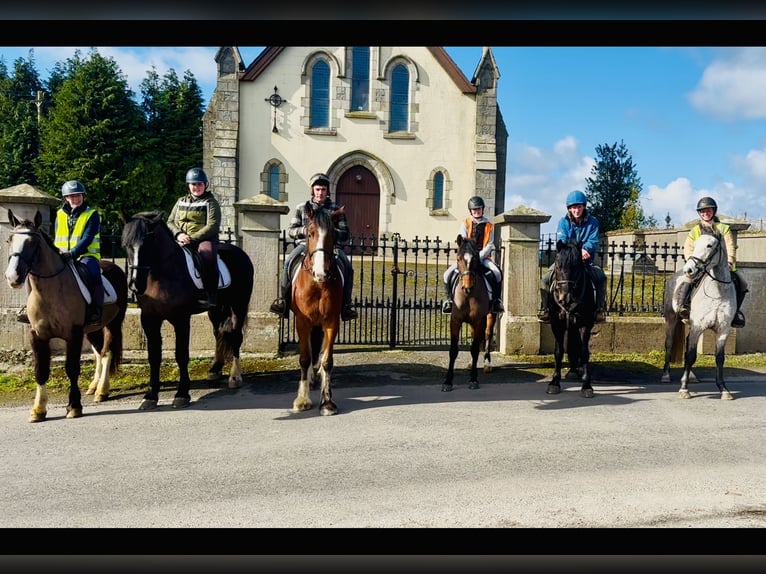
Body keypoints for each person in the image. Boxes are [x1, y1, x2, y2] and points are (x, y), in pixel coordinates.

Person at [269, 172, 358, 321]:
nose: (320, 193)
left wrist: (328, 233)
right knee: (287, 263)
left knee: (348, 267)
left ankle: (346, 306)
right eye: (317, 189)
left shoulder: (335, 209)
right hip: (305, 246)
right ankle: (283, 302)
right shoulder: (301, 208)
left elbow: (345, 233)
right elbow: (291, 230)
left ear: (327, 191)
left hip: (331, 248)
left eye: (323, 190)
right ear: (312, 190)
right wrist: (304, 231)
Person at [675, 196, 748, 328]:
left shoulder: (723, 228)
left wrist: (730, 261)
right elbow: (688, 248)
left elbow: (730, 246)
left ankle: (735, 312)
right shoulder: (695, 230)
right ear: (699, 213)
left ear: (713, 211)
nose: (705, 213)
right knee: (688, 280)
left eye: (708, 210)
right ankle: (684, 308)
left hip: (722, 265)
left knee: (743, 283)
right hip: (700, 266)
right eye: (702, 211)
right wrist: (692, 263)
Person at [537, 189, 607, 324]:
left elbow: (593, 240)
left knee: (601, 278)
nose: (576, 210)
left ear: (584, 207)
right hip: (566, 262)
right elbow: (563, 240)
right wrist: (576, 250)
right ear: (569, 208)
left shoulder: (593, 222)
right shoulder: (563, 222)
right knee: (545, 279)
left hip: (585, 261)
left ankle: (599, 310)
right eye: (573, 207)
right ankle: (545, 309)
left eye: (579, 207)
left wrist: (586, 249)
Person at [167, 167, 222, 309]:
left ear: (205, 185)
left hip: (203, 240)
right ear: (188, 185)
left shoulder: (211, 203)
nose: (196, 187)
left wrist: (192, 238)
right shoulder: (180, 201)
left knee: (208, 255)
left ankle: (209, 295)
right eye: (193, 184)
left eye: (199, 184)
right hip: (180, 238)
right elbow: (170, 221)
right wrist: (179, 234)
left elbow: (213, 226)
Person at [441, 195, 504, 315]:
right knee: (446, 274)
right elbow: (463, 241)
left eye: (479, 209)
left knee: (496, 273)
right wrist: (470, 256)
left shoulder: (489, 225)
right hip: (467, 258)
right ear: (470, 211)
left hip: (483, 257)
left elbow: (490, 244)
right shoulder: (465, 223)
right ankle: (449, 300)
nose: (476, 211)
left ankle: (496, 301)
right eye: (474, 210)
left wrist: (479, 256)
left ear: (482, 209)